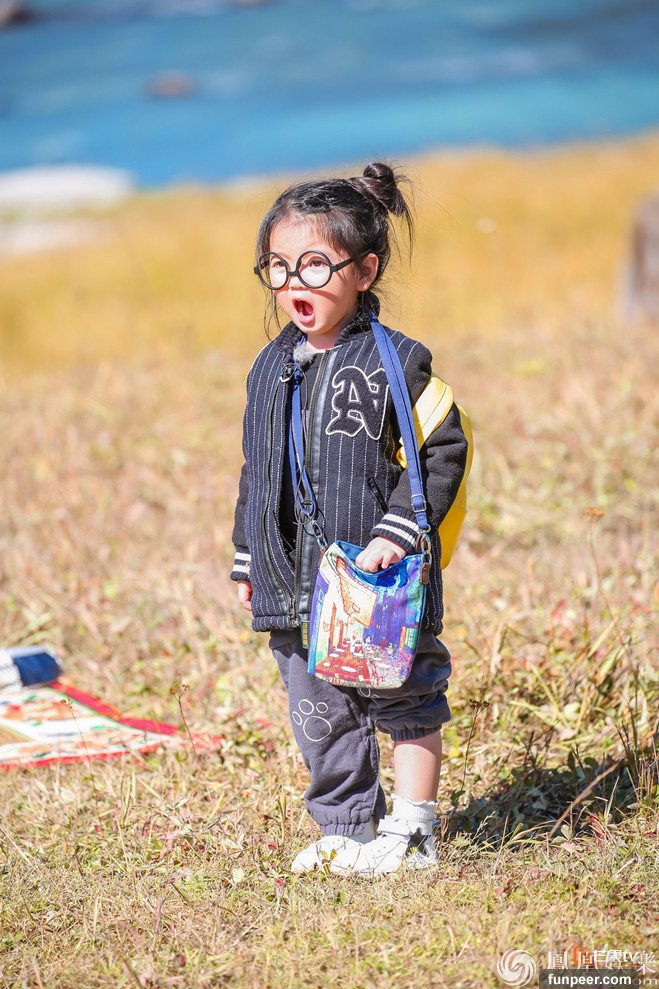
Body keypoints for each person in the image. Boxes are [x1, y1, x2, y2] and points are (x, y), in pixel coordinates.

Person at [229, 161, 469, 877]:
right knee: (320, 708)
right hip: (294, 579)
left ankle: (414, 830)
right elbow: (257, 468)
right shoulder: (269, 367)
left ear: (364, 270)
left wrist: (398, 531)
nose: (292, 283)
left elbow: (440, 450)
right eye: (276, 267)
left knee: (405, 693)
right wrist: (248, 555)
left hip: (377, 573)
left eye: (313, 265)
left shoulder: (396, 362)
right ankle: (347, 827)